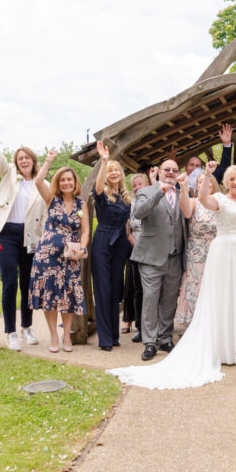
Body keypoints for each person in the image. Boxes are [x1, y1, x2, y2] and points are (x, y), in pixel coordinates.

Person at [108, 165, 236, 389]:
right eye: (232, 178)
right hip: (212, 253)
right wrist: (206, 175)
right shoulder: (208, 197)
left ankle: (228, 343)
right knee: (159, 298)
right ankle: (153, 343)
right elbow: (200, 200)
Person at [0, 107, 47, 351]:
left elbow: (46, 211)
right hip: (7, 233)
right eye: (20, 158)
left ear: (33, 161)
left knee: (28, 283)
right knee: (9, 282)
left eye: (27, 158)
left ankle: (27, 327)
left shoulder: (42, 183)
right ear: (16, 162)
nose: (23, 161)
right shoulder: (9, 175)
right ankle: (11, 331)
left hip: (31, 236)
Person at [29, 153, 91, 353]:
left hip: (69, 257)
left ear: (75, 182)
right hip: (47, 256)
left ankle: (67, 337)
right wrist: (48, 161)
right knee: (50, 296)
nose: (66, 183)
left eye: (69, 179)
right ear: (58, 182)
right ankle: (54, 336)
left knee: (68, 296)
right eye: (62, 180)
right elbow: (38, 181)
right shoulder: (51, 199)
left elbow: (86, 231)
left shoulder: (81, 205)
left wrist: (81, 249)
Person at [129, 159, 186, 361]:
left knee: (170, 301)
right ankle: (150, 343)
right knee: (151, 300)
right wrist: (158, 191)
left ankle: (165, 338)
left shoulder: (182, 195)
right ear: (159, 172)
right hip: (151, 256)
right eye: (167, 170)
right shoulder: (146, 191)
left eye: (174, 170)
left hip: (174, 257)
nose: (170, 173)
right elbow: (139, 212)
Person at [90, 140, 132, 351]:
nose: (113, 173)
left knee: (116, 289)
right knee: (103, 288)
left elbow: (129, 224)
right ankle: (104, 338)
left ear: (121, 174)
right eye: (110, 171)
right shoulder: (102, 194)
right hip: (102, 242)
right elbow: (97, 187)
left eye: (116, 170)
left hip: (121, 244)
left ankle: (114, 335)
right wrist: (104, 161)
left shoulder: (126, 197)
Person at [176, 168, 221, 324]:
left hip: (217, 251)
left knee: (214, 287)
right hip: (196, 251)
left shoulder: (219, 201)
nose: (204, 183)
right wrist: (183, 188)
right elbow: (187, 212)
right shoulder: (195, 201)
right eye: (200, 181)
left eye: (207, 181)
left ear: (213, 183)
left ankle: (211, 322)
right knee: (196, 286)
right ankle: (193, 323)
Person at [122, 172, 149, 341]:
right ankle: (139, 326)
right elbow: (127, 229)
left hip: (153, 249)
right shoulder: (130, 204)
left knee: (152, 290)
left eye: (140, 184)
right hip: (136, 249)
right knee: (138, 289)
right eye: (134, 185)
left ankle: (154, 326)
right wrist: (134, 244)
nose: (137, 187)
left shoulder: (154, 202)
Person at [183, 124, 233, 194]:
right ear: (186, 167)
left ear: (201, 168)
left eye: (197, 166)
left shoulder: (210, 180)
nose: (194, 168)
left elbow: (224, 169)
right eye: (191, 165)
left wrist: (227, 145)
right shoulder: (179, 183)